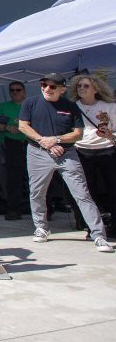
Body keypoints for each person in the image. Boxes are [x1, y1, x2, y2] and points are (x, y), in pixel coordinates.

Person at [18, 72, 113, 253]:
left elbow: (78, 133)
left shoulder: (70, 106)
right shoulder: (30, 103)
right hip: (37, 152)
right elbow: (23, 126)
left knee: (82, 193)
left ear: (62, 89)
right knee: (37, 192)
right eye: (44, 85)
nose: (47, 89)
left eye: (52, 86)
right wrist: (43, 141)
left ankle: (98, 235)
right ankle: (41, 227)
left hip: (66, 153)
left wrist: (56, 140)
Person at [71, 74, 116, 235]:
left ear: (96, 89)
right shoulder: (72, 106)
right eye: (79, 86)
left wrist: (110, 135)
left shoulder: (109, 106)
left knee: (113, 188)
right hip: (81, 150)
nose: (81, 88)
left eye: (86, 86)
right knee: (88, 190)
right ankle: (92, 225)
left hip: (107, 150)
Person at [0, 81, 30, 220]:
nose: (15, 92)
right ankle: (14, 209)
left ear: (24, 91)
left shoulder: (31, 105)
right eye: (12, 90)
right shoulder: (3, 106)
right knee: (14, 177)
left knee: (38, 175)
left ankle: (47, 208)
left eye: (18, 90)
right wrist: (7, 128)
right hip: (12, 143)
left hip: (31, 142)